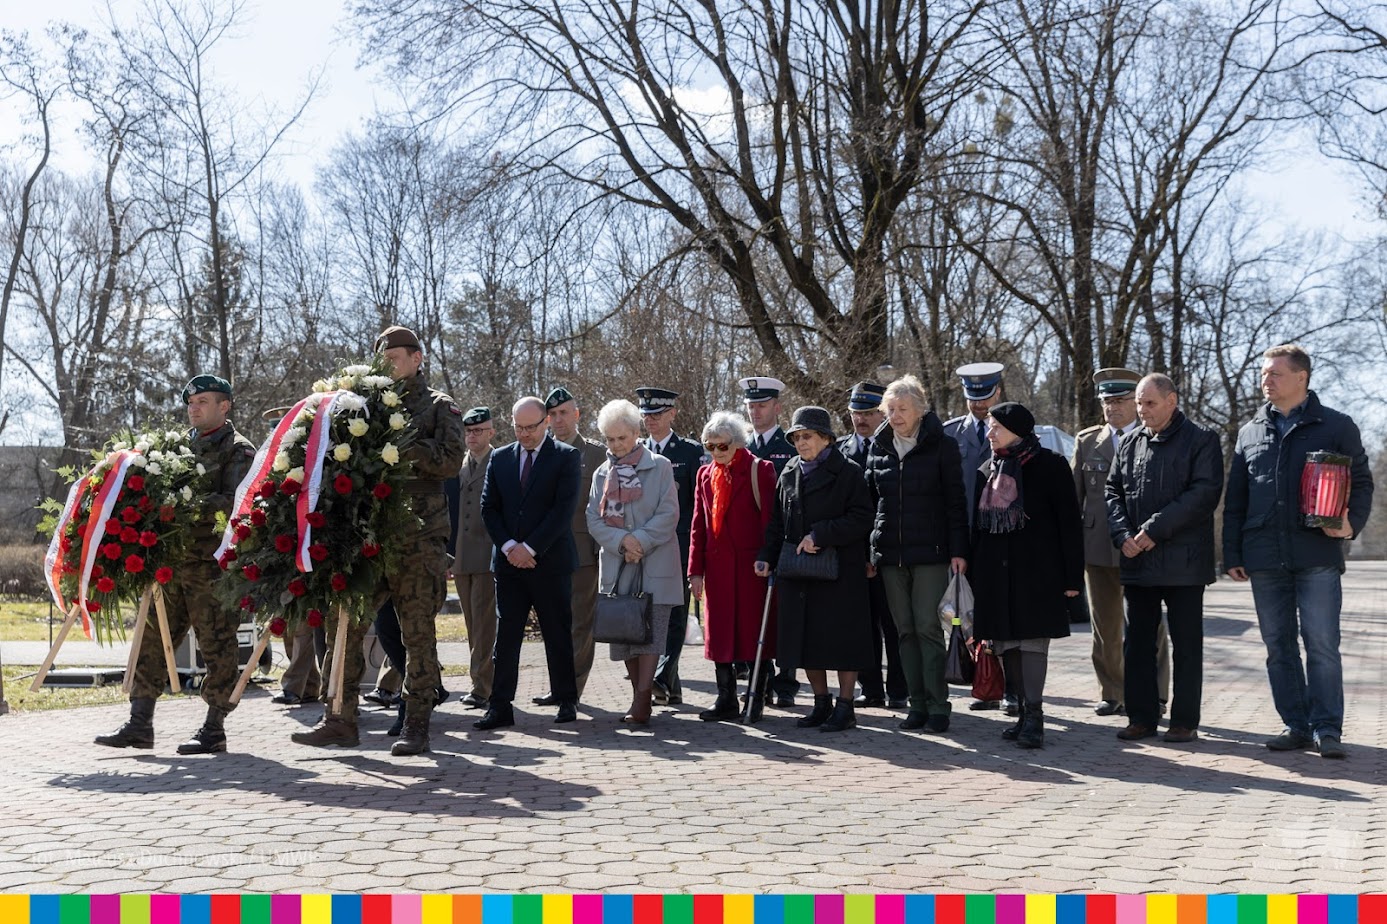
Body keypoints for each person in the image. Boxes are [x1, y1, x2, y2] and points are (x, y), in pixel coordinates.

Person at [293, 326, 467, 756]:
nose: (386, 367)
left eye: (393, 359)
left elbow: (450, 461)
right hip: (368, 536)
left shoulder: (439, 406)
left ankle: (417, 723)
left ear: (416, 359)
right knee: (344, 626)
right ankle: (339, 718)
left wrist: (400, 442)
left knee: (417, 633)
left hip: (418, 537)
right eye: (380, 361)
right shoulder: (362, 406)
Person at [1224, 344, 1374, 760]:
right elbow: (1236, 499)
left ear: (1301, 377)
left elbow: (1362, 482)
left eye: (1274, 373)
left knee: (1321, 644)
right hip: (1264, 555)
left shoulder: (1336, 425)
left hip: (1317, 554)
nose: (1265, 380)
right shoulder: (1250, 431)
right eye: (1263, 374)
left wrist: (1350, 524)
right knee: (1278, 646)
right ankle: (1296, 725)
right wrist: (1232, 553)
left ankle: (1327, 729)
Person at [96, 374, 256, 754]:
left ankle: (214, 728)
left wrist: (183, 506)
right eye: (191, 403)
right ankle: (140, 724)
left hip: (213, 568)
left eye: (203, 401)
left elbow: (236, 502)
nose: (193, 408)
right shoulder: (177, 448)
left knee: (217, 644)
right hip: (171, 564)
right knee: (151, 639)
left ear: (224, 406)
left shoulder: (238, 450)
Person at [1106, 374, 1223, 744]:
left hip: (1184, 564)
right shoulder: (1129, 442)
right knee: (1137, 644)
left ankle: (1184, 722)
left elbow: (1203, 494)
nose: (1142, 411)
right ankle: (1141, 718)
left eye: (1150, 403)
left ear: (1172, 401)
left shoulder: (1201, 439)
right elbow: (1112, 492)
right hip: (1137, 561)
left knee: (1186, 645)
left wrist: (1153, 530)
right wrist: (1122, 535)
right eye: (1139, 403)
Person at [970, 402, 1085, 748]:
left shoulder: (1051, 465)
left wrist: (1072, 578)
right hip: (996, 574)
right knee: (1006, 645)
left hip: (1038, 573)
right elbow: (978, 529)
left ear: (1017, 430)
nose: (989, 434)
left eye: (996, 427)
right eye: (990, 427)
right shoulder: (986, 470)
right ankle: (1022, 711)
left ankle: (1035, 716)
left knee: (1032, 643)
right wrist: (976, 577)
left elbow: (1069, 524)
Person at [756, 407, 874, 732]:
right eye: (796, 437)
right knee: (805, 640)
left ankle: (846, 706)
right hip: (798, 572)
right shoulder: (789, 471)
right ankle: (821, 703)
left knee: (843, 640)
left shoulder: (848, 471)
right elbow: (777, 521)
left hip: (840, 571)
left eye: (807, 436)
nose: (801, 443)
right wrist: (766, 555)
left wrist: (821, 535)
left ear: (825, 438)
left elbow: (863, 517)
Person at [864, 375, 970, 733]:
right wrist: (870, 550)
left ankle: (938, 706)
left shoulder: (943, 446)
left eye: (902, 409)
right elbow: (870, 503)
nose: (895, 416)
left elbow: (956, 502)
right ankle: (917, 704)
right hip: (890, 556)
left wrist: (959, 550)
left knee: (927, 627)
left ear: (920, 411)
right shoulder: (878, 447)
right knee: (904, 631)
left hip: (932, 554)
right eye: (890, 409)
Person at [474, 396, 583, 729]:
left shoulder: (566, 456)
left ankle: (566, 699)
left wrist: (531, 548)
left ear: (546, 422)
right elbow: (488, 507)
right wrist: (510, 547)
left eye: (530, 428)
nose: (523, 434)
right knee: (506, 637)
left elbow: (562, 511)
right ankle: (500, 706)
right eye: (518, 427)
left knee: (557, 632)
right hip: (508, 564)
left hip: (550, 562)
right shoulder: (500, 458)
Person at [1072, 368, 1170, 718]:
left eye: (1120, 400)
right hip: (1098, 546)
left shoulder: (1155, 437)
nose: (1112, 407)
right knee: (1105, 627)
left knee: (1150, 624)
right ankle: (1113, 692)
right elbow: (1074, 498)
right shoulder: (1088, 441)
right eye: (1106, 401)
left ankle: (1156, 693)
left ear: (1136, 402)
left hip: (1144, 544)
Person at [586, 399, 683, 724]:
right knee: (624, 634)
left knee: (651, 633)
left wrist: (639, 541)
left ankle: (642, 701)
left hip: (655, 561)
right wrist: (622, 542)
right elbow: (593, 519)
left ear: (636, 434)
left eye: (622, 438)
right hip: (619, 564)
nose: (616, 445)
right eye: (610, 439)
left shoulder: (660, 466)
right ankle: (638, 696)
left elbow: (668, 513)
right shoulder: (602, 473)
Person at [686, 411, 778, 722]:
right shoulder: (704, 475)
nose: (715, 452)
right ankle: (725, 698)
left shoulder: (759, 469)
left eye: (721, 446)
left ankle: (756, 697)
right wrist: (695, 571)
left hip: (751, 569)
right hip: (717, 570)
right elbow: (698, 526)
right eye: (709, 446)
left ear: (737, 443)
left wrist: (768, 557)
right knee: (720, 634)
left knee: (754, 635)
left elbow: (770, 521)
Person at [942, 361, 1014, 714]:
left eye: (985, 396)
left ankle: (1012, 688)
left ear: (997, 392)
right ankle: (984, 684)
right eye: (973, 397)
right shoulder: (949, 434)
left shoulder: (1013, 431)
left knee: (1004, 614)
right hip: (961, 540)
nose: (979, 404)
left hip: (1001, 540)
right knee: (967, 615)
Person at [534, 386, 607, 708]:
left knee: (579, 623)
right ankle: (559, 685)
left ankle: (571, 690)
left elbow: (605, 504)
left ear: (577, 415)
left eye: (564, 412)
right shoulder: (539, 452)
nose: (558, 419)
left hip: (580, 553)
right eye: (552, 414)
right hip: (544, 553)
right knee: (553, 624)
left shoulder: (594, 455)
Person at [837, 381, 907, 709]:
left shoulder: (898, 447)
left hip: (888, 550)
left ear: (882, 413)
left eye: (868, 412)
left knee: (893, 623)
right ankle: (871, 687)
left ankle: (899, 689)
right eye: (856, 412)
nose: (861, 419)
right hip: (852, 553)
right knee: (861, 624)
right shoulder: (839, 451)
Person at [637, 386, 706, 707]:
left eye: (657, 414)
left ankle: (663, 676)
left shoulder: (691, 452)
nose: (650, 420)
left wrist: (696, 552)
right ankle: (671, 687)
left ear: (672, 414)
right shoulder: (636, 451)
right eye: (646, 414)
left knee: (676, 614)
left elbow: (698, 506)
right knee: (651, 616)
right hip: (645, 548)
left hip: (677, 546)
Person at [739, 374, 799, 707]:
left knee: (785, 614)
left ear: (777, 407)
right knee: (753, 613)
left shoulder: (790, 447)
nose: (756, 411)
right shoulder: (740, 448)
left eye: (762, 405)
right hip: (751, 544)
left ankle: (786, 684)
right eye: (751, 406)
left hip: (785, 540)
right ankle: (759, 679)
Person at [455, 407, 498, 710]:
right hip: (460, 557)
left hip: (486, 556)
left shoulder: (500, 462)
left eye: (478, 430)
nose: (472, 436)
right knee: (472, 624)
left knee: (483, 625)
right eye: (468, 431)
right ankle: (482, 682)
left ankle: (482, 687)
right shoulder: (459, 465)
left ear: (491, 432)